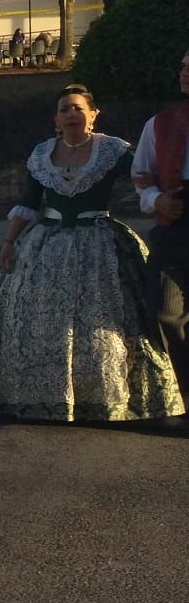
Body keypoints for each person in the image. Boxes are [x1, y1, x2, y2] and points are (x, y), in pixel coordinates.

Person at [0, 87, 182, 422]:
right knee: (36, 322)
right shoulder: (42, 155)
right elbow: (28, 201)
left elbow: (146, 176)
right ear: (56, 119)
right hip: (43, 247)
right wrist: (9, 242)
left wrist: (162, 200)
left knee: (104, 323)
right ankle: (36, 396)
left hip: (100, 245)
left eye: (79, 108)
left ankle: (103, 397)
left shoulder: (112, 150)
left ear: (94, 114)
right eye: (65, 109)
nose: (71, 114)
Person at [131, 46, 189, 400]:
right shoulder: (160, 123)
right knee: (165, 313)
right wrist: (157, 200)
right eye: (182, 65)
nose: (184, 72)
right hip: (175, 221)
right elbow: (141, 174)